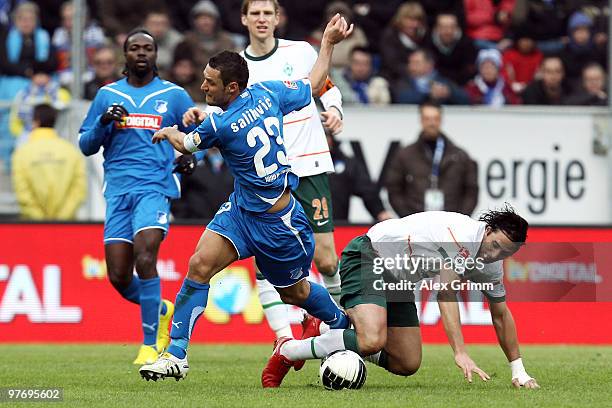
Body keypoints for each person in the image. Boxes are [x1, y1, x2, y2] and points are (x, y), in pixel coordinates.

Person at [138, 14, 354, 383]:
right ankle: (176, 354)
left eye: (210, 83)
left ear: (232, 87)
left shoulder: (219, 124)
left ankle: (342, 325)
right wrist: (329, 44)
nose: (203, 87)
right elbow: (313, 83)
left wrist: (171, 131)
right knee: (199, 265)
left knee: (297, 293)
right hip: (242, 211)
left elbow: (186, 143)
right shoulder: (269, 92)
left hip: (277, 223)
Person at [263, 206, 540, 390]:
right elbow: (445, 294)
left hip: (400, 280)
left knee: (406, 362)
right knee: (371, 340)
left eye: (504, 253)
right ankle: (287, 350)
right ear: (487, 230)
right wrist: (460, 352)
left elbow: (501, 314)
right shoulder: (462, 236)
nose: (495, 256)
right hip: (370, 254)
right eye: (494, 246)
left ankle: (326, 329)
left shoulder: (491, 264)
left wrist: (519, 370)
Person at [78, 29, 197, 365]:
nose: (141, 53)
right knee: (118, 275)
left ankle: (148, 345)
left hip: (155, 188)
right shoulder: (107, 95)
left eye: (147, 48)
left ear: (156, 54)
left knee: (146, 257)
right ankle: (160, 308)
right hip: (117, 192)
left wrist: (190, 159)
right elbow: (86, 145)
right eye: (134, 48)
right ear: (125, 55)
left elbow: (194, 140)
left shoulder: (174, 96)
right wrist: (103, 122)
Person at [239, 0, 347, 341]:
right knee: (265, 261)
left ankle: (337, 328)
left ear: (277, 18)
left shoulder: (300, 52)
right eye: (254, 13)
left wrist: (334, 109)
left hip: (309, 163)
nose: (261, 19)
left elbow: (326, 85)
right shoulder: (239, 67)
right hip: (267, 175)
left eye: (267, 13)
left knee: (327, 260)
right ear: (244, 19)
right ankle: (283, 339)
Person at [385, 101, 478, 216]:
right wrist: (408, 218)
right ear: (421, 120)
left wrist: (460, 218)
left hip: (451, 222)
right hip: (416, 222)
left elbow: (471, 190)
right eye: (427, 119)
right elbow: (394, 189)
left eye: (435, 118)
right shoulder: (405, 154)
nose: (432, 123)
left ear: (441, 120)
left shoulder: (459, 155)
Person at [12, 104, 86, 219]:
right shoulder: (71, 151)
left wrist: (40, 220)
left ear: (35, 122)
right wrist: (61, 218)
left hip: (33, 228)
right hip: (67, 226)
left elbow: (23, 193)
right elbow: (78, 190)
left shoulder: (22, 153)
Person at [326, 128, 392, 222]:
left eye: (326, 135)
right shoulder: (300, 162)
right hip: (302, 226)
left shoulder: (345, 163)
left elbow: (367, 190)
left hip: (336, 226)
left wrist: (380, 211)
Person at [171, 148, 235, 220]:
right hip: (195, 224)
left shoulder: (237, 165)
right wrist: (184, 218)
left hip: (228, 225)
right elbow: (178, 193)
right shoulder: (191, 163)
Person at [393, 49, 470, 105]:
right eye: (410, 63)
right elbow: (401, 98)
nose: (411, 66)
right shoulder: (404, 81)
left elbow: (465, 99)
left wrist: (449, 93)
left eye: (416, 63)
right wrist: (428, 95)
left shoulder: (443, 81)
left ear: (429, 64)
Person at [424, 13, 477, 86]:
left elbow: (469, 70)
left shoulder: (467, 44)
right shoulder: (428, 43)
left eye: (452, 27)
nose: (448, 31)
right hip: (435, 83)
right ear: (436, 28)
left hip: (461, 84)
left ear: (457, 28)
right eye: (444, 27)